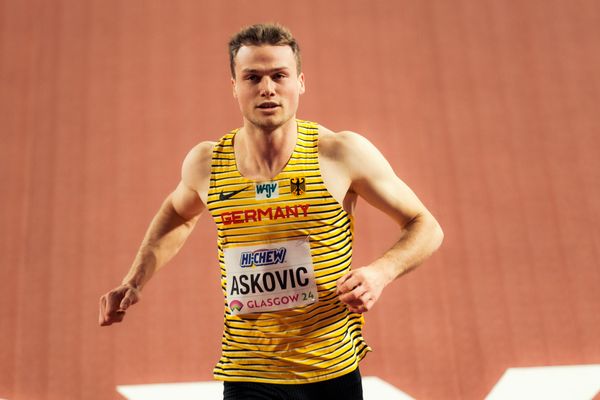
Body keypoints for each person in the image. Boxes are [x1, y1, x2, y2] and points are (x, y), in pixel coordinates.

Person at [99, 23, 443, 400]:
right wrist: (134, 279)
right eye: (253, 77)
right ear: (234, 86)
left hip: (330, 369)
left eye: (279, 75)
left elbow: (425, 225)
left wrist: (382, 272)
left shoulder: (340, 154)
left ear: (300, 83)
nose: (267, 88)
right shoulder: (208, 163)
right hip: (249, 370)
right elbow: (178, 215)